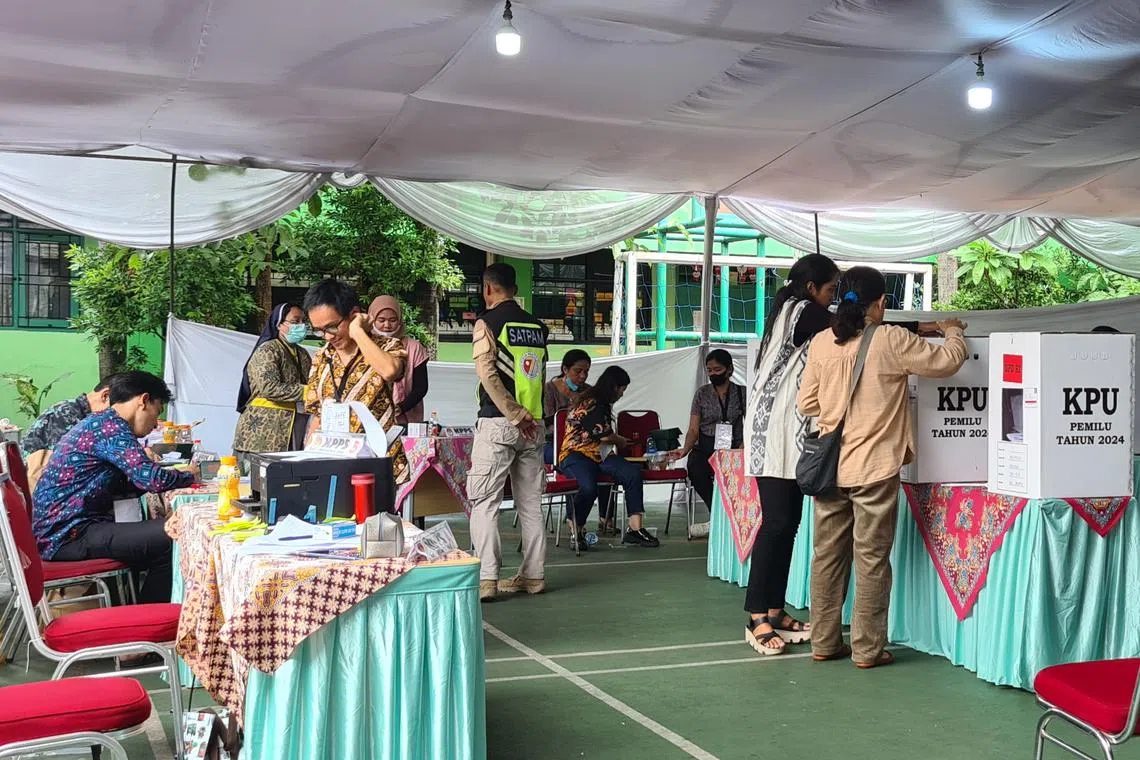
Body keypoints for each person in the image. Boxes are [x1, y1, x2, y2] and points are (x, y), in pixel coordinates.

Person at [742, 254, 943, 656]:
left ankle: (779, 612)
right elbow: (863, 327)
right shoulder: (803, 311)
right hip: (778, 428)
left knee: (800, 533)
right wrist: (922, 328)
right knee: (780, 524)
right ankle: (756, 617)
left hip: (797, 431)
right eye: (831, 290)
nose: (836, 300)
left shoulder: (792, 311)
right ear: (812, 288)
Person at [798, 266, 966, 669]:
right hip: (873, 468)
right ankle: (868, 649)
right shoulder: (890, 339)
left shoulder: (823, 342)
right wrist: (953, 329)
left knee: (827, 557)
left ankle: (823, 641)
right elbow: (948, 362)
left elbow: (807, 404)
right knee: (871, 559)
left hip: (829, 468)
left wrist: (838, 413)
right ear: (882, 303)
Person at [32, 371, 197, 605]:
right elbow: (153, 480)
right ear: (143, 400)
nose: (156, 423)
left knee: (161, 535)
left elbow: (129, 484)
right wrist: (189, 475)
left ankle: (138, 611)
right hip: (68, 534)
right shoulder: (111, 429)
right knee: (176, 535)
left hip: (62, 530)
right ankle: (147, 625)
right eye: (157, 411)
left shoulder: (101, 423)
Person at [465, 263, 550, 601]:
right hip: (535, 424)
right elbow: (539, 374)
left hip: (500, 423)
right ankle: (534, 576)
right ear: (514, 288)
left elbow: (488, 374)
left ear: (488, 289)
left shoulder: (487, 323)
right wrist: (530, 417)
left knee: (484, 501)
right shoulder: (537, 326)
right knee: (530, 504)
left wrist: (514, 414)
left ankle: (487, 578)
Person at [302, 279, 409, 484]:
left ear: (354, 315)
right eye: (319, 330)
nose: (327, 337)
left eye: (332, 327)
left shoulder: (387, 346)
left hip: (377, 465)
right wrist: (308, 461)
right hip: (333, 463)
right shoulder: (321, 358)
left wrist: (358, 331)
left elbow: (390, 371)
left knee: (377, 517)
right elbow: (318, 414)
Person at [558, 366, 660, 550]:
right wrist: (619, 440)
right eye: (621, 389)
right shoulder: (591, 402)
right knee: (588, 487)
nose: (622, 394)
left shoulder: (603, 403)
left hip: (601, 455)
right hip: (576, 454)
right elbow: (602, 434)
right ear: (612, 387)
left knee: (632, 472)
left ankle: (635, 529)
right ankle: (577, 528)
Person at [676, 349, 746, 536]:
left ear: (729, 369)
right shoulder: (702, 394)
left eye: (717, 369)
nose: (713, 373)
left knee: (737, 475)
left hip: (733, 446)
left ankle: (734, 515)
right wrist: (685, 450)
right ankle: (718, 511)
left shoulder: (742, 393)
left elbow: (752, 423)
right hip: (706, 444)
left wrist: (743, 445)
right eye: (709, 370)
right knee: (695, 468)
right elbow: (693, 429)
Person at [233, 303, 313, 455]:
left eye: (303, 321)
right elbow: (270, 388)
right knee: (257, 475)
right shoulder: (267, 350)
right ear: (279, 324)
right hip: (264, 430)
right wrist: (309, 391)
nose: (301, 326)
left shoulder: (303, 354)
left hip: (295, 426)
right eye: (295, 321)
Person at [21, 377, 115, 493]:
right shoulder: (66, 414)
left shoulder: (81, 414)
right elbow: (66, 469)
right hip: (41, 495)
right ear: (105, 396)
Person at [368, 295, 430, 425]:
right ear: (371, 319)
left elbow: (421, 387)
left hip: (407, 419)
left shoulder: (414, 347)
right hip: (371, 419)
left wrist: (400, 408)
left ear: (400, 320)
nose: (387, 325)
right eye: (381, 320)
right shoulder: (366, 346)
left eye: (392, 320)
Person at [542, 349, 592, 465]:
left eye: (586, 371)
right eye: (578, 371)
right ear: (565, 369)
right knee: (574, 459)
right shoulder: (548, 390)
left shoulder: (589, 392)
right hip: (552, 443)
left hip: (582, 443)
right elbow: (547, 421)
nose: (583, 376)